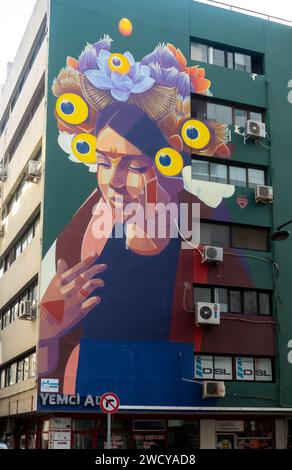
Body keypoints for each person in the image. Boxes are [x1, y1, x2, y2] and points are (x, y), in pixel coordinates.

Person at [38, 38, 235, 406]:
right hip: (93, 384)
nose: (112, 180)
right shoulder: (83, 234)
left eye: (133, 164)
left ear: (162, 166)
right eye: (104, 162)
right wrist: (48, 332)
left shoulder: (197, 222)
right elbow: (55, 363)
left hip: (173, 381)